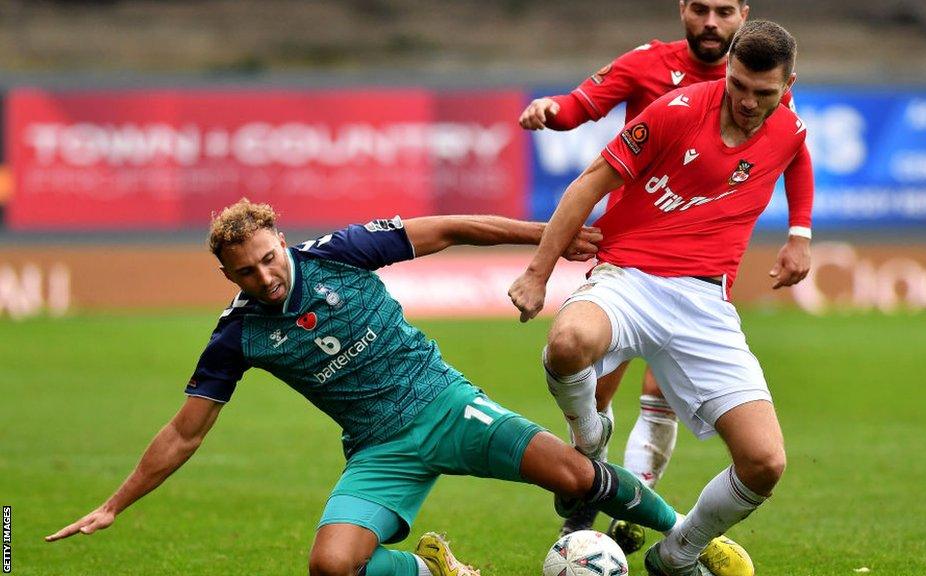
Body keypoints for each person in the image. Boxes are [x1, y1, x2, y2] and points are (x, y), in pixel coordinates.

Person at [45, 200, 686, 576]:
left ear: (281, 243)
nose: (265, 278)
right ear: (227, 273)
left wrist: (549, 240)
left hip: (447, 406)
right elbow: (184, 433)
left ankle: (690, 537)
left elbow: (452, 228)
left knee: (577, 478)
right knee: (331, 567)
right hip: (380, 452)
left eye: (270, 259)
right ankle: (434, 570)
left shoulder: (339, 252)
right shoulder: (236, 336)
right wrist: (114, 505)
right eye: (246, 272)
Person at [510, 21, 810, 576]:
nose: (747, 101)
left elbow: (797, 155)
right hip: (629, 279)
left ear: (787, 84)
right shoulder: (676, 109)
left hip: (705, 307)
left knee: (765, 463)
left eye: (762, 93)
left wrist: (801, 233)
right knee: (568, 343)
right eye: (738, 85)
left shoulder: (789, 128)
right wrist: (537, 274)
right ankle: (590, 437)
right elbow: (590, 182)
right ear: (728, 71)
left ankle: (677, 553)